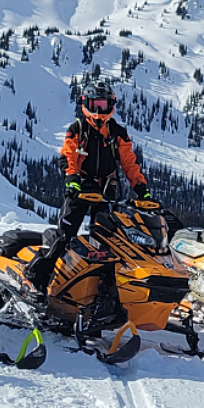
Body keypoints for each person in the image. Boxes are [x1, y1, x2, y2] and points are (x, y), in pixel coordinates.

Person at [26, 80, 151, 290]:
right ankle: (38, 276)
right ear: (85, 104)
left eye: (103, 105)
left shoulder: (117, 132)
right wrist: (72, 178)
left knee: (107, 240)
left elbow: (129, 161)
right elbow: (68, 154)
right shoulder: (78, 129)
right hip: (81, 187)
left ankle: (102, 285)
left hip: (105, 191)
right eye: (95, 105)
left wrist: (140, 187)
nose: (99, 111)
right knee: (66, 234)